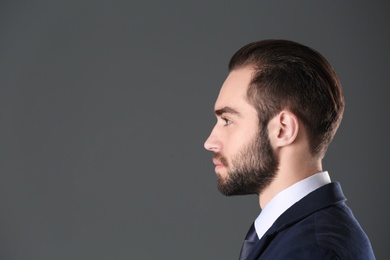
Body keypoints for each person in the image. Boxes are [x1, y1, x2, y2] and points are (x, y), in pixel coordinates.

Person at [204, 39, 375, 259]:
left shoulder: (315, 251)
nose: (209, 142)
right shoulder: (298, 237)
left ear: (283, 129)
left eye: (227, 120)